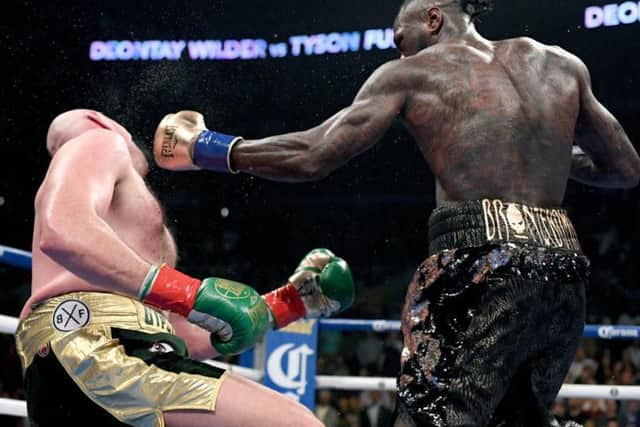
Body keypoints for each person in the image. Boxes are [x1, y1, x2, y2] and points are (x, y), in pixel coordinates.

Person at [152, 1, 640, 425]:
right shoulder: (559, 63)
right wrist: (541, 152)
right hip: (564, 266)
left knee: (431, 416)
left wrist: (208, 149)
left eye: (400, 39)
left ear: (433, 18)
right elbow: (624, 167)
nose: (399, 51)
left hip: (479, 262)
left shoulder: (412, 72)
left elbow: (314, 154)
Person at [15, 109, 355, 427]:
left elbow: (165, 334)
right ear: (100, 120)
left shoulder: (120, 244)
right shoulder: (99, 140)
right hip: (91, 348)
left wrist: (288, 304)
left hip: (102, 361)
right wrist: (187, 292)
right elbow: (61, 228)